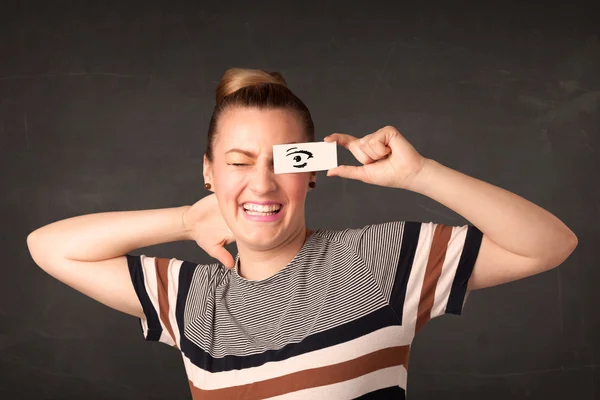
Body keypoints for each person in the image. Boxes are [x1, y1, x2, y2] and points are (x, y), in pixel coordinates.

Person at [26, 68, 578, 399]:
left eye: (282, 162)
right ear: (208, 173)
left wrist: (419, 174)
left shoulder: (374, 262)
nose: (262, 183)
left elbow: (550, 244)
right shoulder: (191, 298)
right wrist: (184, 220)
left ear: (312, 172)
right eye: (239, 163)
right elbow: (48, 247)